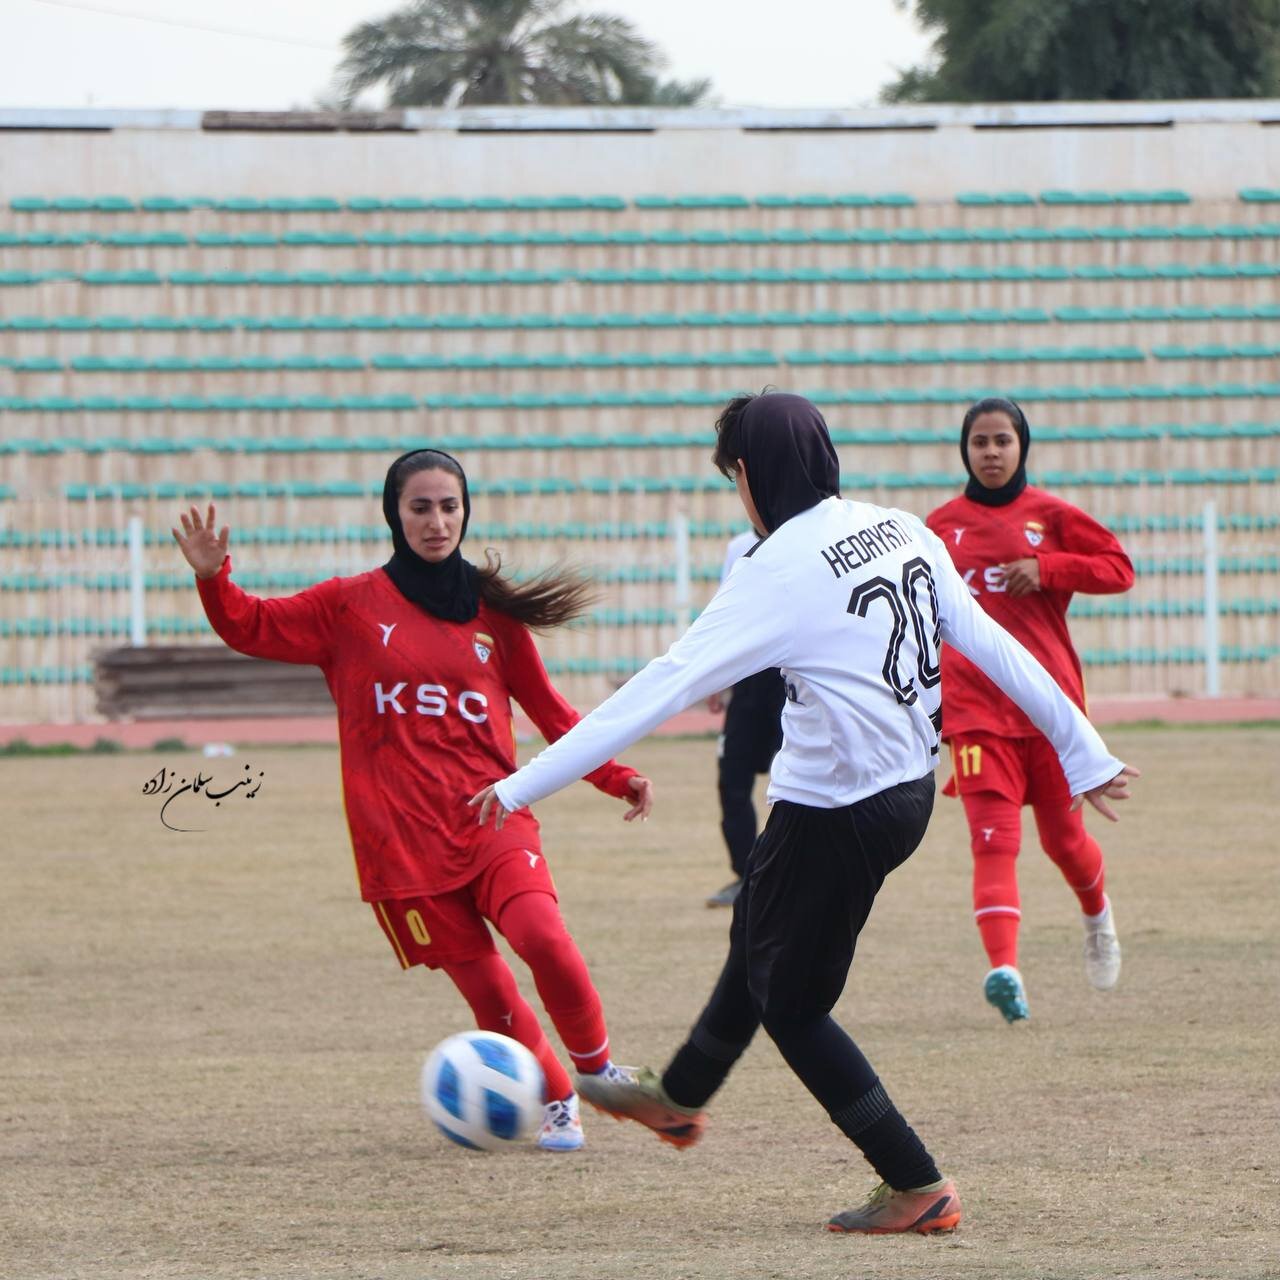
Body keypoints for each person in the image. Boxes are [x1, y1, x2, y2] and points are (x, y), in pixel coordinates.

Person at [470, 391, 1137, 1234]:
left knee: (793, 1006)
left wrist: (520, 785)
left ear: (750, 474)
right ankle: (679, 1097)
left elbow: (660, 687)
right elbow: (996, 643)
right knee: (758, 919)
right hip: (899, 792)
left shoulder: (778, 567)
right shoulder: (900, 526)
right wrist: (1086, 751)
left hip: (842, 812)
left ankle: (916, 1183)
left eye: (733, 478)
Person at [172, 448, 653, 1152]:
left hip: (493, 817)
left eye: (449, 506)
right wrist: (215, 578)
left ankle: (597, 1071)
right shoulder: (347, 606)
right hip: (400, 844)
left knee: (544, 939)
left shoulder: (495, 617)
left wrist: (615, 775)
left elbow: (552, 713)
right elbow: (249, 624)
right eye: (420, 507)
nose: (437, 520)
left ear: (467, 511)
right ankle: (555, 1101)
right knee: (490, 996)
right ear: (394, 515)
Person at [926, 398, 1135, 1024]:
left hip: (1049, 710)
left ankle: (1097, 918)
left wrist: (1046, 568)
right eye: (980, 442)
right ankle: (1005, 971)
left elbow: (1119, 569)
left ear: (1022, 447)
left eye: (1002, 441)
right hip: (974, 712)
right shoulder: (937, 528)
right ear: (965, 449)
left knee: (1064, 842)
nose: (991, 452)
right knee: (993, 843)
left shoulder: (1050, 516)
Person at [704, 529, 786, 908]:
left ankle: (792, 877)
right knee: (731, 781)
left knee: (794, 785)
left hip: (790, 677)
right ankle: (747, 877)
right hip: (749, 681)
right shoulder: (738, 547)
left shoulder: (805, 535)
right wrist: (716, 676)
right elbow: (726, 612)